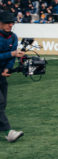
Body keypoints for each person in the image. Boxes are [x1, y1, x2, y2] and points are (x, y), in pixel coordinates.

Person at [0, 10, 23, 143]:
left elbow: (12, 56)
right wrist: (11, 54)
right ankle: (9, 132)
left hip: (2, 73)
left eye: (12, 22)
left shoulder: (13, 37)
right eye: (7, 22)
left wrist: (7, 68)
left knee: (3, 104)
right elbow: (12, 54)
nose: (10, 25)